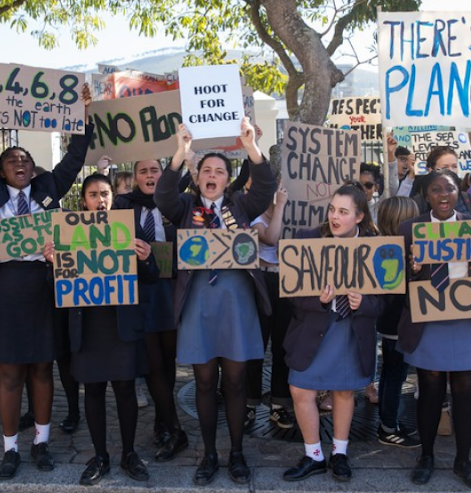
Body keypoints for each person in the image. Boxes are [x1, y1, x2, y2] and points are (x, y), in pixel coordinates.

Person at [0, 77, 94, 479]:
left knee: (41, 369)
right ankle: (10, 448)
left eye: (27, 161)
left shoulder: (49, 188)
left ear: (35, 170)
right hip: (1, 290)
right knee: (10, 372)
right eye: (13, 160)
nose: (21, 164)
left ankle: (41, 443)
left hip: (41, 288)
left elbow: (76, 155)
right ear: (1, 169)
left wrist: (83, 112)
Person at [154, 118, 276, 486]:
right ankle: (209, 454)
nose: (212, 175)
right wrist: (180, 153)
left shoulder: (241, 205)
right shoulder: (184, 207)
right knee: (205, 382)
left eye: (219, 171)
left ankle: (236, 453)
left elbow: (266, 186)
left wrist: (251, 146)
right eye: (206, 169)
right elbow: (162, 195)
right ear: (198, 177)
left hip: (236, 305)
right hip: (198, 305)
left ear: (227, 179)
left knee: (236, 382)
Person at [45, 173, 154, 484]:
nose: (100, 199)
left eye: (105, 193)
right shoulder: (67, 232)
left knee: (124, 390)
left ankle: (129, 454)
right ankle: (100, 455)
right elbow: (59, 286)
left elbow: (150, 276)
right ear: (84, 201)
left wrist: (145, 259)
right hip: (88, 325)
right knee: (92, 390)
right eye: (93, 194)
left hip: (120, 325)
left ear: (113, 198)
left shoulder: (127, 227)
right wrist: (53, 263)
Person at [398, 169, 471, 490]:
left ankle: (463, 461)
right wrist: (412, 270)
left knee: (468, 392)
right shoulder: (410, 229)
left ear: (458, 193)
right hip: (429, 319)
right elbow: (393, 281)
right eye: (436, 189)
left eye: (449, 189)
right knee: (430, 391)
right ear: (426, 195)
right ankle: (426, 456)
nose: (443, 194)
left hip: (468, 317)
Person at [282, 183, 384, 483]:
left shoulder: (376, 246)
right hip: (314, 328)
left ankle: (340, 453)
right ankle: (313, 455)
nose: (334, 217)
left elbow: (388, 299)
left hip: (351, 330)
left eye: (343, 212)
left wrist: (365, 303)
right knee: (300, 389)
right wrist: (320, 300)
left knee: (343, 390)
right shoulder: (307, 239)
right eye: (331, 210)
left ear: (359, 216)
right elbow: (290, 293)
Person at [113, 159, 189, 461]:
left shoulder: (178, 203)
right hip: (139, 292)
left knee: (167, 364)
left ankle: (162, 422)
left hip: (169, 291)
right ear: (135, 177)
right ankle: (175, 428)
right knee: (153, 364)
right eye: (143, 171)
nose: (149, 176)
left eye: (154, 170)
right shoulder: (122, 205)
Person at [245, 176, 293, 429]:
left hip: (287, 281)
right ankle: (249, 402)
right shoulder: (256, 217)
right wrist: (281, 206)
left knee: (283, 345)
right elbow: (271, 239)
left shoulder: (294, 214)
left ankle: (280, 404)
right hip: (263, 282)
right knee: (256, 344)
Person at [374, 196, 421, 449]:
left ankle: (388, 422)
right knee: (395, 376)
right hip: (398, 323)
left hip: (388, 322)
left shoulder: (383, 246)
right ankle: (388, 427)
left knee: (389, 374)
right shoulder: (398, 251)